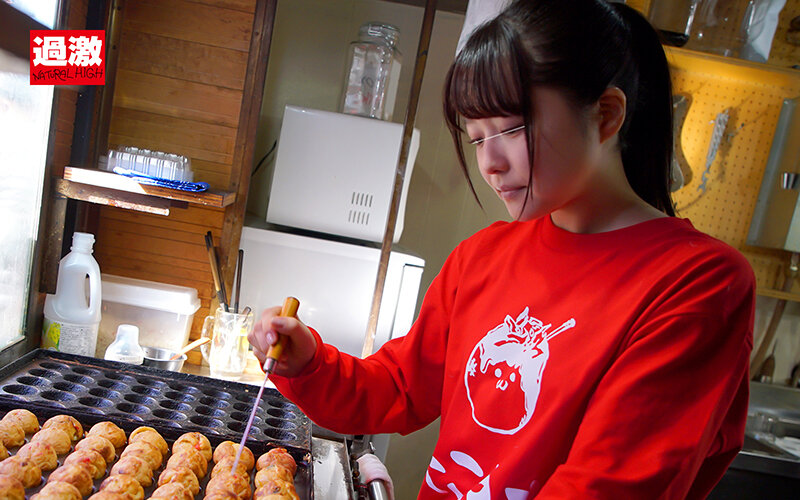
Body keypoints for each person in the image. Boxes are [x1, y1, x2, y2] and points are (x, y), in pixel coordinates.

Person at [248, 1, 756, 498]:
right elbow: (399, 387)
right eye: (476, 138)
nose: (489, 162)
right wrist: (310, 363)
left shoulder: (696, 281)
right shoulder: (484, 255)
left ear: (605, 115)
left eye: (511, 129)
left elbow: (611, 483)